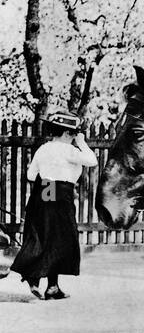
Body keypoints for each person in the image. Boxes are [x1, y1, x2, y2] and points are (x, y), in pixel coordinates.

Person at [8, 109, 96, 300]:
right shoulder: (69, 150)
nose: (75, 137)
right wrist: (82, 143)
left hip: (43, 192)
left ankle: (52, 286)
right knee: (62, 238)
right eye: (74, 134)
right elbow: (92, 160)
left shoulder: (44, 148)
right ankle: (39, 278)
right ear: (66, 133)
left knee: (44, 234)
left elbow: (31, 176)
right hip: (61, 194)